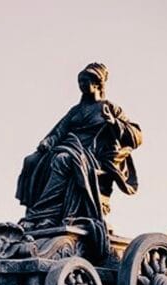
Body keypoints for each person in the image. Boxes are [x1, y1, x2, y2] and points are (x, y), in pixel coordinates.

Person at [15, 63, 142, 231]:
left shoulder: (110, 108)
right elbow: (59, 131)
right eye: (80, 81)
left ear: (97, 84)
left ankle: (45, 214)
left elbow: (136, 136)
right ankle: (32, 213)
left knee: (63, 160)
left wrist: (114, 123)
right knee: (31, 160)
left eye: (85, 81)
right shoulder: (75, 111)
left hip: (93, 156)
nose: (81, 85)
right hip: (70, 147)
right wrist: (48, 141)